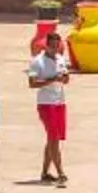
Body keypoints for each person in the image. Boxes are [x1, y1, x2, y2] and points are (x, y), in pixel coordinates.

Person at [28, 30, 70, 185]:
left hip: (60, 102)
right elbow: (32, 83)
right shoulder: (37, 61)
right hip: (46, 103)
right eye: (51, 46)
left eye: (56, 46)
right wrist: (52, 79)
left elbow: (66, 79)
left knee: (54, 138)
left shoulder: (60, 59)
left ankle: (45, 172)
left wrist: (64, 78)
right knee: (53, 139)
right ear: (46, 45)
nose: (54, 49)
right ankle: (61, 173)